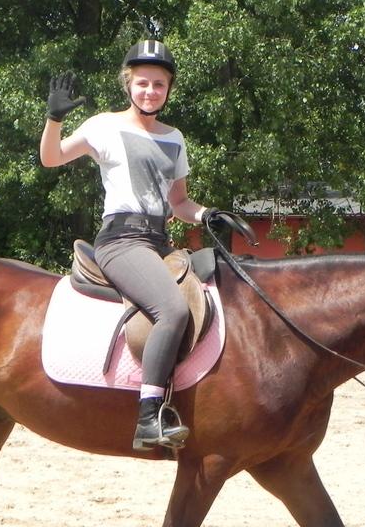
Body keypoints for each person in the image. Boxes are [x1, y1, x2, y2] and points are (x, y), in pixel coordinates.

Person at [39, 39, 224, 451]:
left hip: (159, 242)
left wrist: (208, 214)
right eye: (142, 83)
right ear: (128, 84)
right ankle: (148, 417)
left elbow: (179, 203)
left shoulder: (175, 138)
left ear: (169, 89)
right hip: (121, 241)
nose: (150, 91)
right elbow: (51, 158)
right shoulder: (104, 125)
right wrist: (54, 119)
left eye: (159, 84)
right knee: (172, 310)